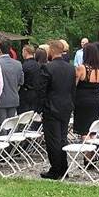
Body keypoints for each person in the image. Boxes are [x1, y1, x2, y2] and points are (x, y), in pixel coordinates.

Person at [38, 39, 76, 179]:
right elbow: (73, 90)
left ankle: (56, 169)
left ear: (52, 50)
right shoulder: (71, 68)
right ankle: (63, 167)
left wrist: (41, 108)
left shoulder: (47, 68)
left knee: (53, 140)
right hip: (66, 107)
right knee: (62, 138)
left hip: (51, 108)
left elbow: (42, 91)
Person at [73, 43, 99, 136]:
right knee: (93, 128)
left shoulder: (82, 68)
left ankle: (87, 149)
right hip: (96, 99)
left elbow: (74, 84)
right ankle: (92, 148)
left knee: (84, 130)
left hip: (82, 100)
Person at [0, 39, 24, 130]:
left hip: (0, 100)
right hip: (14, 98)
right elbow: (21, 82)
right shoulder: (18, 64)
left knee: (2, 127)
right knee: (11, 126)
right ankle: (11, 144)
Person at [18, 45, 42, 113]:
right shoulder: (38, 65)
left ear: (26, 52)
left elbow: (21, 80)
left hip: (25, 94)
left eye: (22, 51)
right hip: (36, 94)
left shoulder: (24, 66)